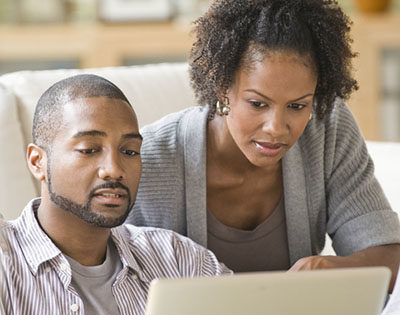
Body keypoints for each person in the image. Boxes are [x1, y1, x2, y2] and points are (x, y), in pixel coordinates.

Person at [128, 0, 400, 288]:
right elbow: (107, 279)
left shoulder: (326, 127)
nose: (276, 128)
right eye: (258, 103)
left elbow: (387, 252)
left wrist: (338, 268)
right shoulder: (149, 160)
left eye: (297, 106)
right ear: (223, 87)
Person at [0, 74, 229, 315]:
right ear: (38, 162)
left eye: (129, 151)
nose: (114, 169)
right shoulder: (5, 263)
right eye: (89, 149)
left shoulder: (177, 257)